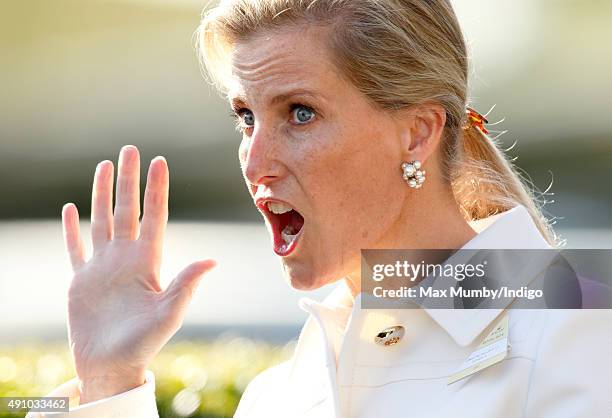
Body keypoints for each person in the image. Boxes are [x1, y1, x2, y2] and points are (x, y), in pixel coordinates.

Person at [27, 0, 612, 417]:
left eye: (299, 113)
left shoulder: (583, 329)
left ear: (416, 133)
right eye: (246, 117)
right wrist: (111, 381)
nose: (256, 163)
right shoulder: (278, 392)